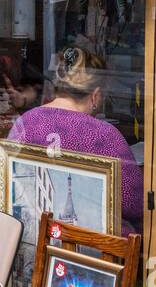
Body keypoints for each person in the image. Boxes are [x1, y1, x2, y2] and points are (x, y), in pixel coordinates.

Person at [8, 45, 143, 232]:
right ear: (95, 95)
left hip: (35, 237)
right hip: (90, 248)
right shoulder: (104, 134)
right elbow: (133, 204)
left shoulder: (25, 122)